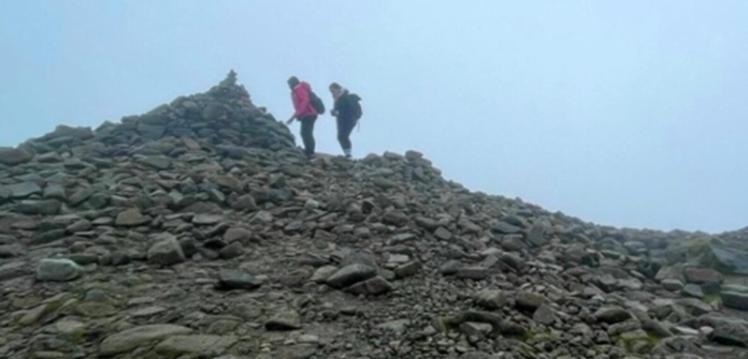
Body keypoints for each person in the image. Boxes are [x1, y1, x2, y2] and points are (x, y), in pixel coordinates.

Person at [285, 76, 319, 158]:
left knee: (306, 132)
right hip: (309, 114)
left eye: (289, 84)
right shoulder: (298, 89)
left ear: (293, 83)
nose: (289, 86)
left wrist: (295, 115)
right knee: (306, 132)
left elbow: (305, 100)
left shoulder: (298, 89)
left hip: (308, 113)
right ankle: (309, 151)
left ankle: (310, 152)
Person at [329, 82, 362, 158]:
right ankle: (348, 154)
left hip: (348, 120)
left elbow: (344, 110)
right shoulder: (339, 98)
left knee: (342, 136)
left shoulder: (343, 97)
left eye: (333, 91)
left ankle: (348, 155)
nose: (332, 93)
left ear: (338, 89)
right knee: (342, 136)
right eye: (331, 91)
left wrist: (336, 112)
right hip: (346, 120)